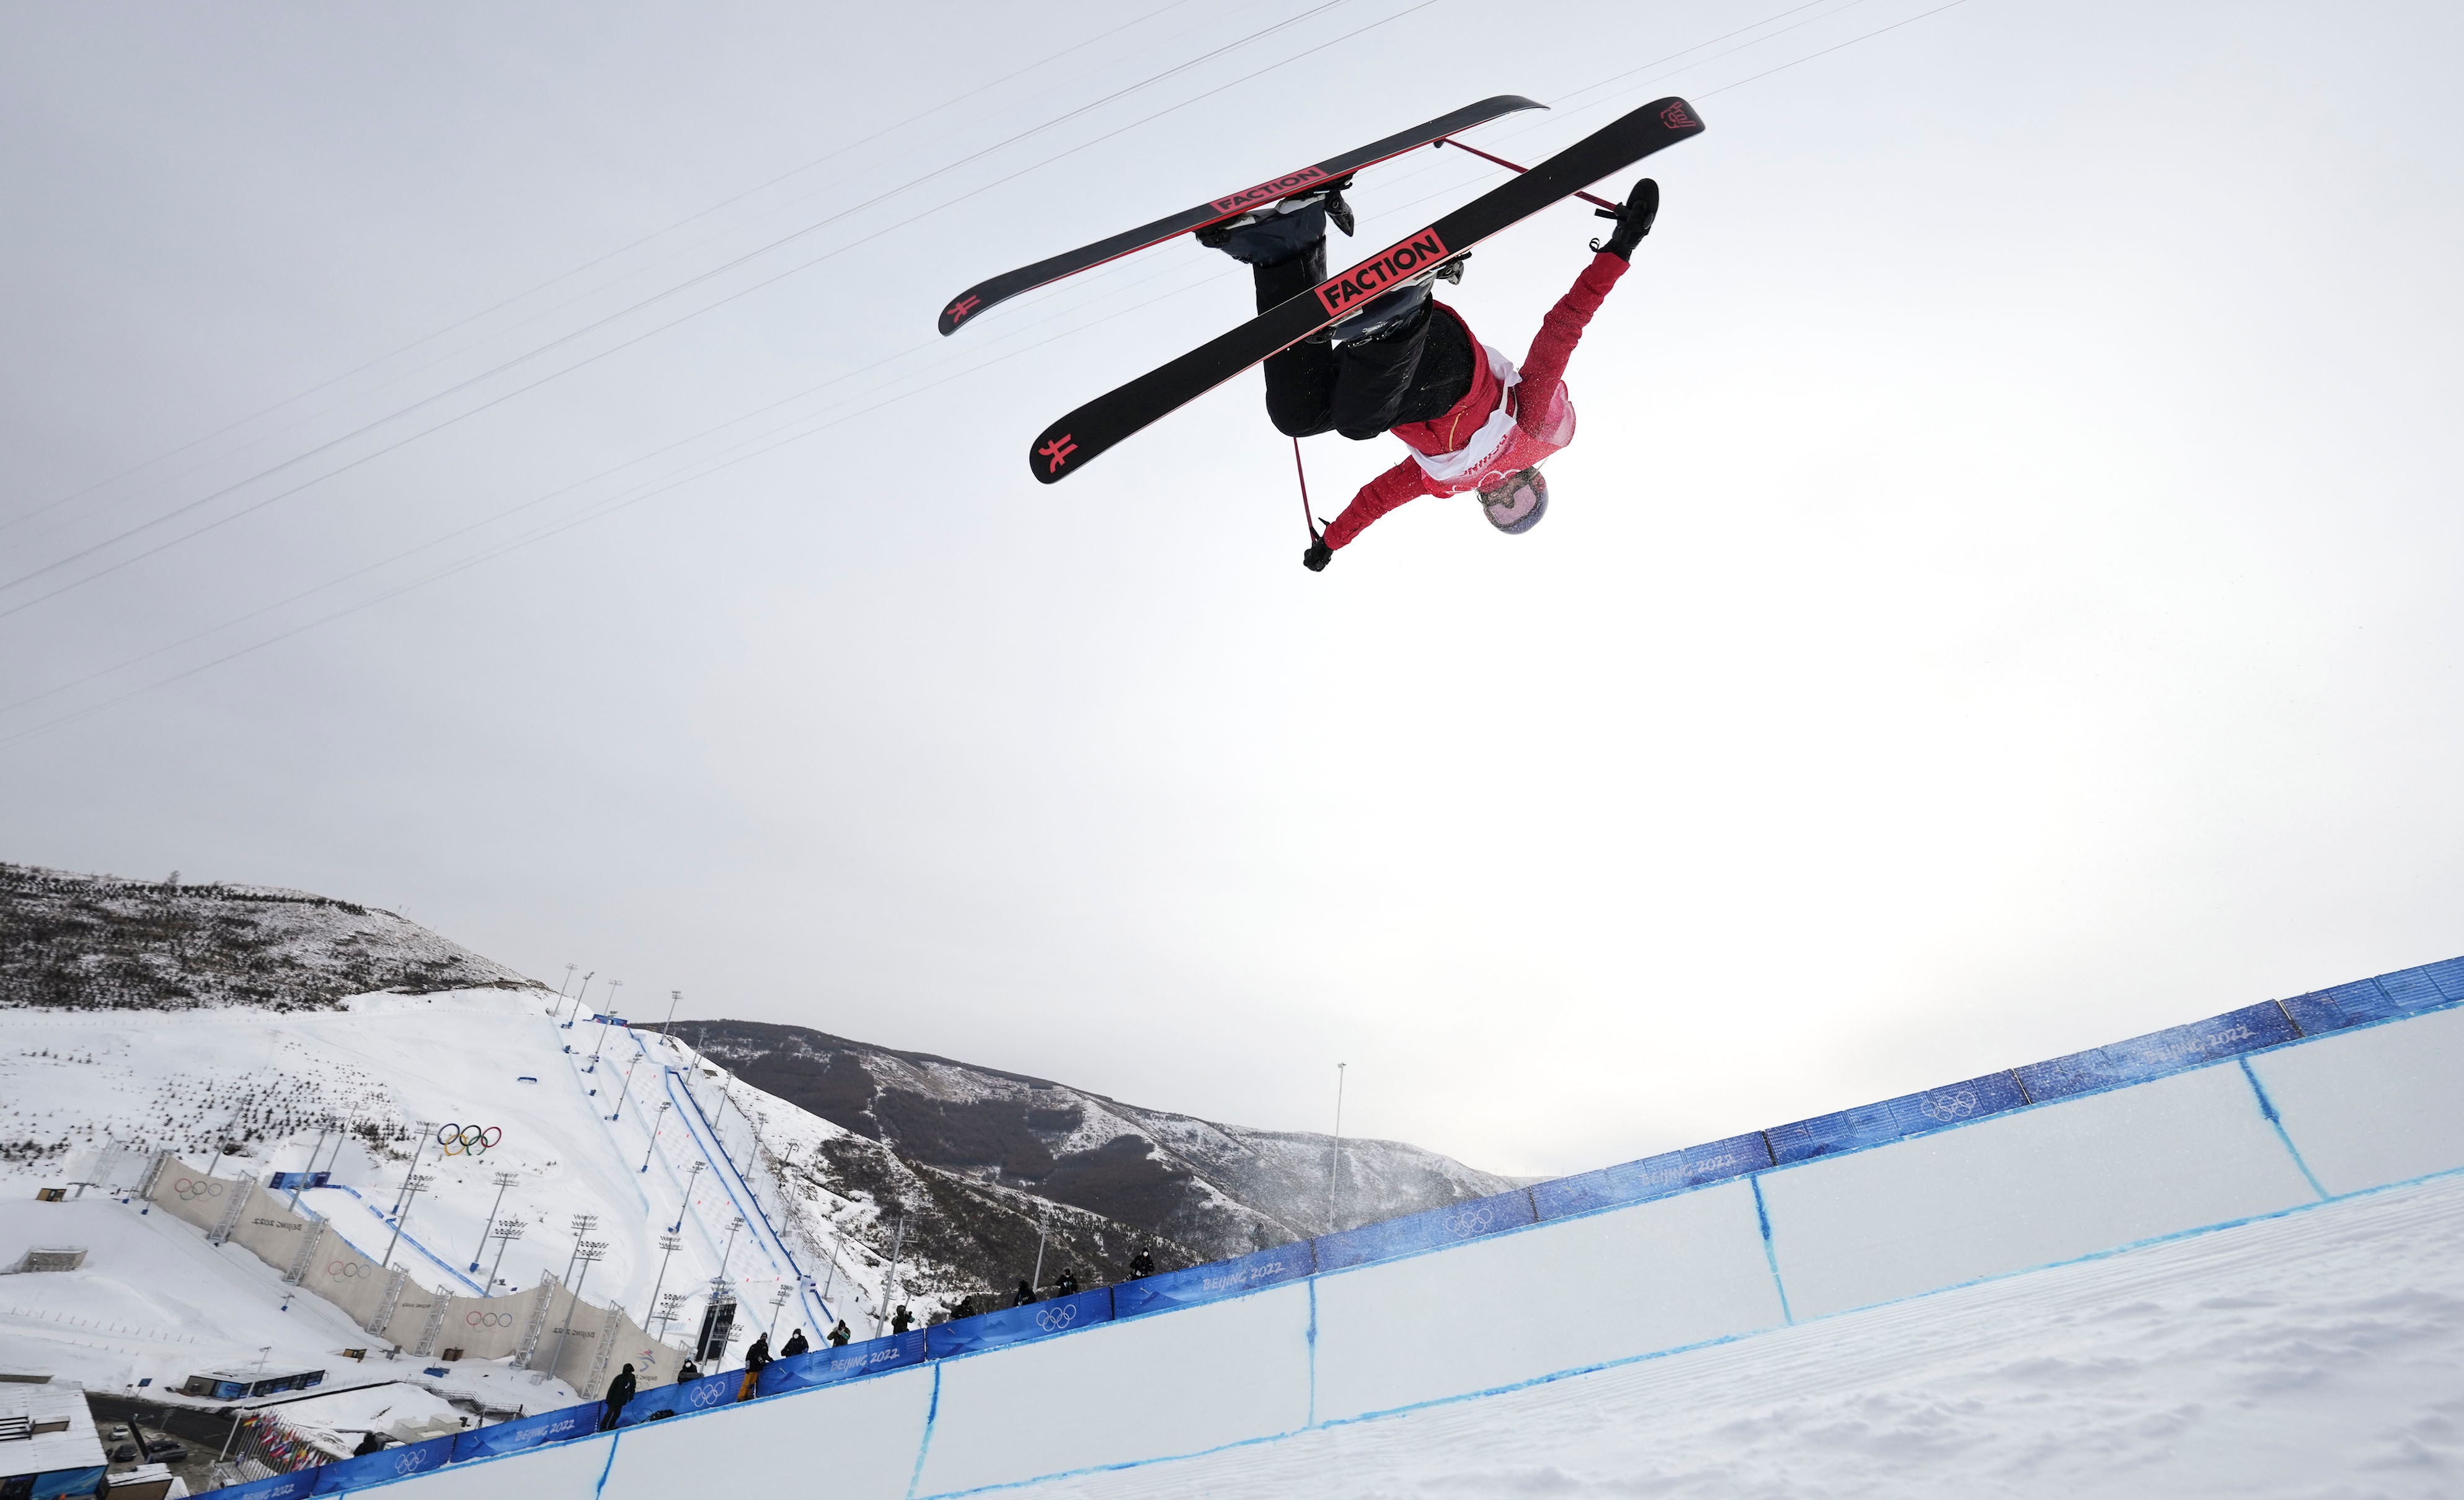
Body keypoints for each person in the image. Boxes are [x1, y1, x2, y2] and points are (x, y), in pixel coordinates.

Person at [1200, 174, 1663, 569]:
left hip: (1388, 380)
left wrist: (1331, 542)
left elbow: (1376, 500)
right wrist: (1620, 251)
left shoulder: (1440, 482)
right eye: (1522, 503)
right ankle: (1404, 312)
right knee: (1360, 423)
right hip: (1446, 361)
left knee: (1297, 416)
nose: (1504, 501)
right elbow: (1561, 332)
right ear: (1535, 480)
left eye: (1503, 515)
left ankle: (1287, 245)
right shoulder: (1531, 431)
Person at [599, 1363, 636, 1432]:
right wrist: (609, 1400)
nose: (628, 1373)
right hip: (614, 1400)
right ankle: (603, 1427)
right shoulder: (619, 1378)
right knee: (609, 1414)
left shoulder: (632, 1378)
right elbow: (612, 1389)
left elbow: (632, 1388)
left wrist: (631, 1396)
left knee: (617, 1414)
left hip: (622, 1400)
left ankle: (611, 1426)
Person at [738, 1333, 771, 1401]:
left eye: (765, 1338)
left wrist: (769, 1359)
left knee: (752, 1383)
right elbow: (749, 1357)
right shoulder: (755, 1347)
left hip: (757, 1369)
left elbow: (765, 1355)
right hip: (751, 1368)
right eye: (763, 1337)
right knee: (746, 1383)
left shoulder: (765, 1347)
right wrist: (747, 1367)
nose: (764, 1339)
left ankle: (748, 1395)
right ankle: (741, 1396)